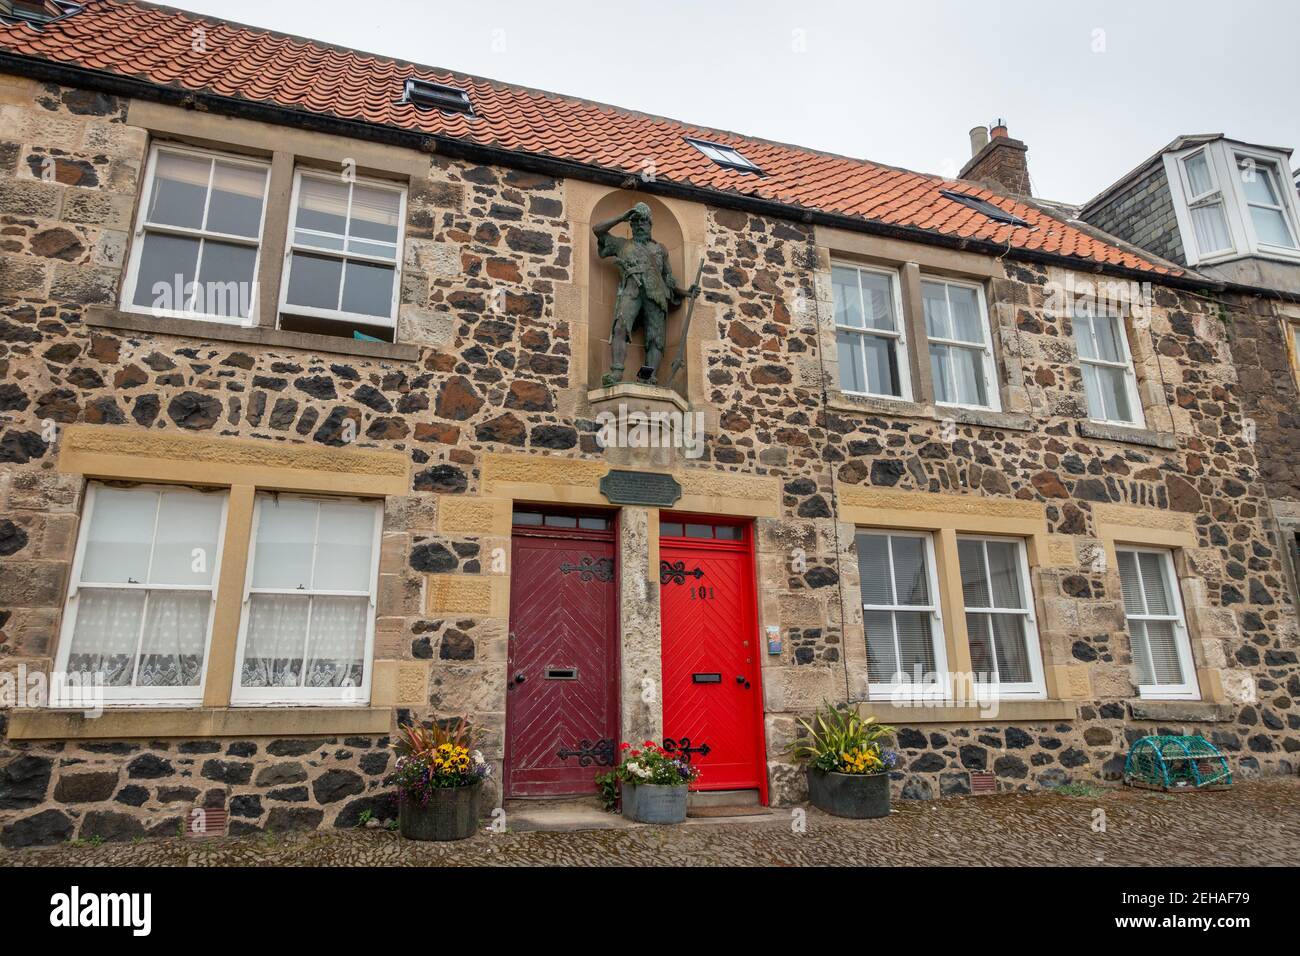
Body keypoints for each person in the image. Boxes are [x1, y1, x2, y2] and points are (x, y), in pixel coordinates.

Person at [592, 202, 699, 386]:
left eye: (644, 222)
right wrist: (622, 216)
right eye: (636, 222)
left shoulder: (660, 249)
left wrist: (686, 293)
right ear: (631, 226)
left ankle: (648, 377)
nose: (640, 225)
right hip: (631, 290)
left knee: (655, 338)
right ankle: (616, 373)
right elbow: (598, 230)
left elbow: (669, 282)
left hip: (656, 294)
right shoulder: (622, 244)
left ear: (650, 225)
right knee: (620, 327)